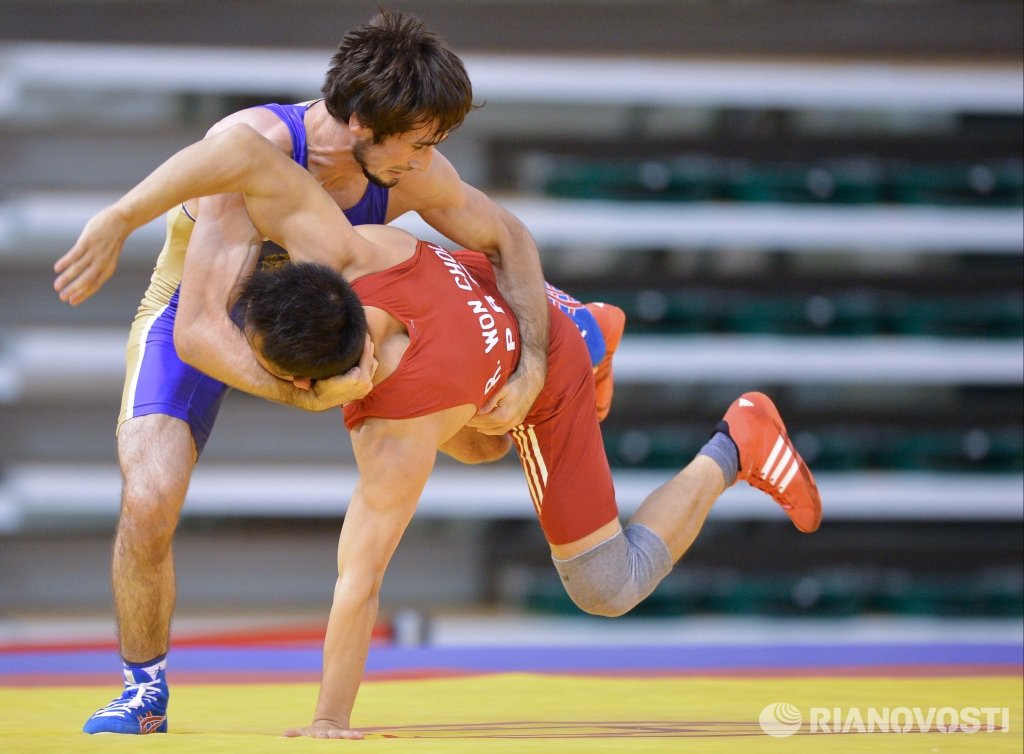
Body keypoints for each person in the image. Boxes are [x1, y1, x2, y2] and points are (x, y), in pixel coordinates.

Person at [89, 123, 822, 738]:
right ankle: (587, 323)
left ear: (310, 385)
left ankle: (734, 442)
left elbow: (360, 581)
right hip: (490, 299)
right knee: (476, 442)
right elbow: (246, 152)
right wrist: (121, 215)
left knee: (603, 581)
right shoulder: (347, 250)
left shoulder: (394, 434)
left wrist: (329, 720)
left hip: (535, 376)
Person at [56, 10, 556, 735]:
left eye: (433, 147)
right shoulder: (256, 151)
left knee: (488, 442)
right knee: (150, 497)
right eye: (416, 146)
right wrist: (312, 395)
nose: (424, 165)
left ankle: (580, 343)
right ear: (360, 121)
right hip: (198, 314)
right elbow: (200, 330)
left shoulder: (407, 167)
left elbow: (509, 237)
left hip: (322, 329)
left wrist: (534, 359)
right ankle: (143, 690)